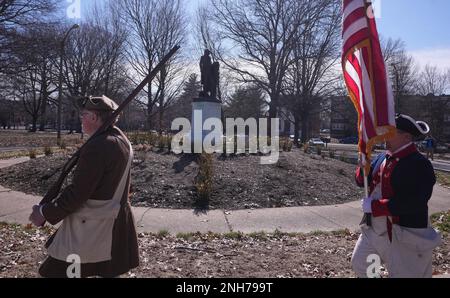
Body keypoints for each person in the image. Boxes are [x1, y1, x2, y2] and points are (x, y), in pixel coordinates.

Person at [29, 95, 139, 278]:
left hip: (90, 228)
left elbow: (77, 194)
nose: (81, 118)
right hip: (112, 223)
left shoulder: (99, 146)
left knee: (52, 274)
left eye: (84, 114)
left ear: (94, 118)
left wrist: (44, 212)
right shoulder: (120, 141)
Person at [351, 114, 442, 278]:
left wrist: (374, 206)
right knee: (363, 266)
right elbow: (361, 181)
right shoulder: (381, 157)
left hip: (404, 236)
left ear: (407, 137)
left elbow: (413, 202)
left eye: (391, 132)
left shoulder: (419, 164)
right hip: (375, 233)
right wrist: (362, 165)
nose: (385, 136)